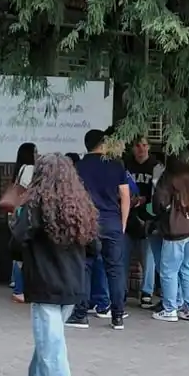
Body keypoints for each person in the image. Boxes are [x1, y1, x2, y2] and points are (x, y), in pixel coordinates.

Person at [11, 153, 95, 376]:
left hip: (44, 287)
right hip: (72, 288)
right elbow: (94, 246)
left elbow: (15, 242)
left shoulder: (33, 205)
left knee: (54, 353)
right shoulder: (81, 204)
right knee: (48, 345)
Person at [68, 130, 131, 330]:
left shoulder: (79, 166)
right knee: (115, 269)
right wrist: (123, 223)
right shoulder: (116, 165)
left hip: (88, 223)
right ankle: (118, 316)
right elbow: (125, 196)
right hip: (112, 221)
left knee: (84, 266)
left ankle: (80, 314)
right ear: (103, 143)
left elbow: (73, 197)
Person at [153, 159, 189, 322]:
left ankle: (170, 308)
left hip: (178, 228)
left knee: (169, 271)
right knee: (188, 268)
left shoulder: (170, 176)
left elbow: (159, 202)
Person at [125, 137, 163, 308]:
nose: (141, 149)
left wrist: (146, 203)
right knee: (123, 257)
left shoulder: (157, 167)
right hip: (128, 216)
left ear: (149, 147)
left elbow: (160, 194)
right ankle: (122, 290)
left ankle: (146, 292)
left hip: (148, 217)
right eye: (137, 146)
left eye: (144, 145)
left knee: (149, 259)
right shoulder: (125, 165)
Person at [9, 142, 38, 302]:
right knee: (25, 252)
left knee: (19, 250)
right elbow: (28, 191)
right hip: (27, 212)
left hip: (19, 211)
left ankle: (16, 284)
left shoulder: (20, 168)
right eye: (35, 152)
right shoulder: (29, 169)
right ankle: (20, 288)